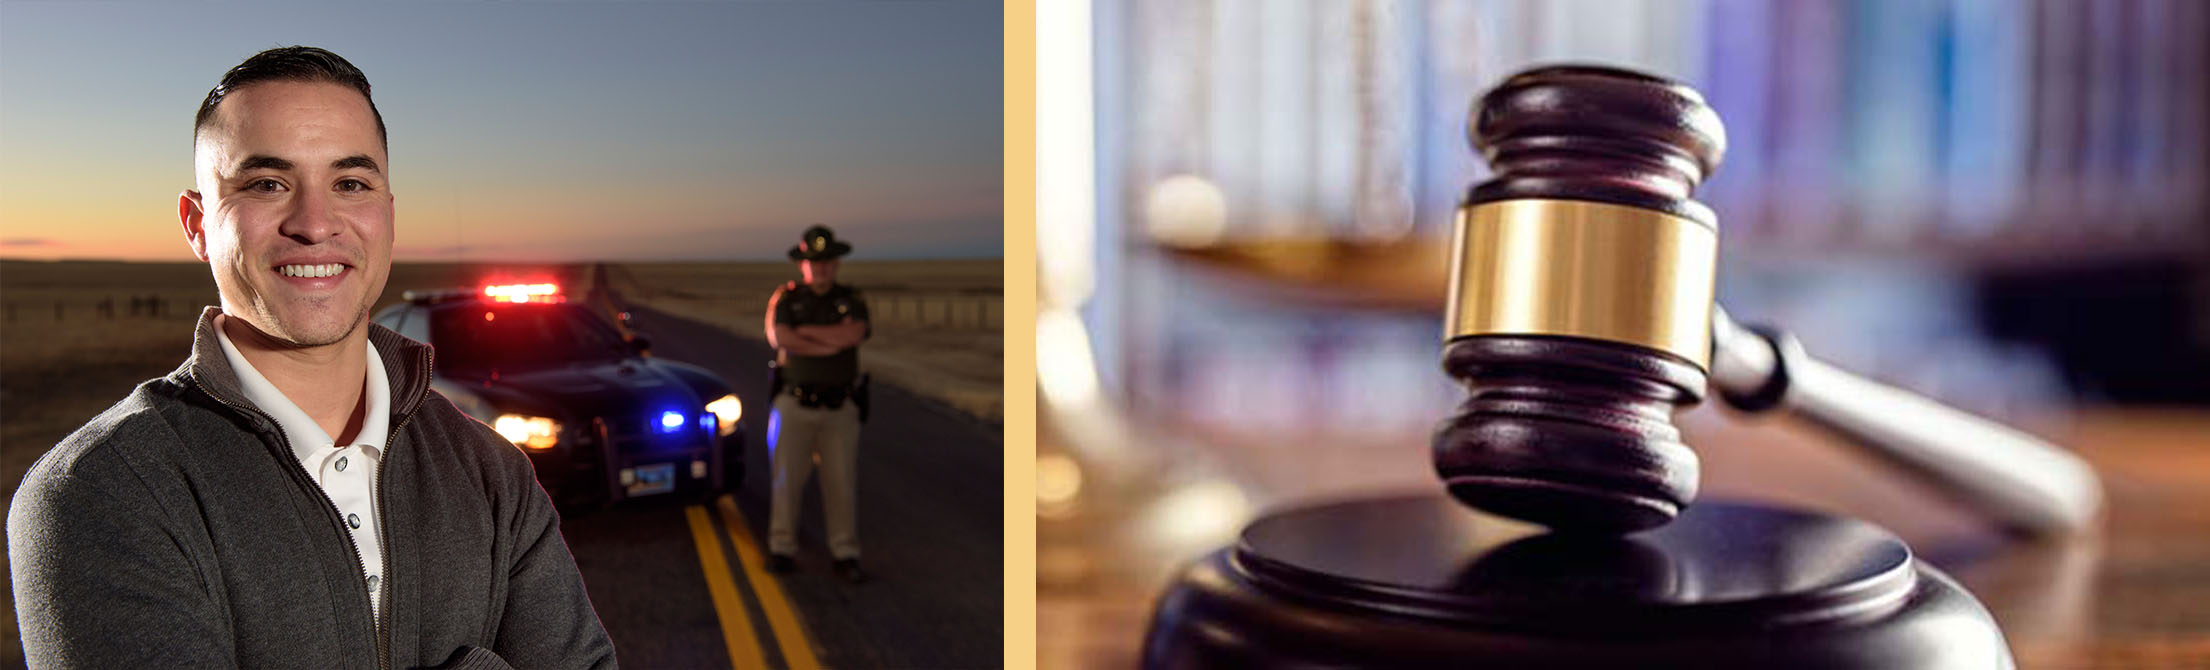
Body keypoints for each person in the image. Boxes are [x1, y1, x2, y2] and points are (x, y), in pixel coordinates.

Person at [7, 46, 615, 669]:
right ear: (197, 225)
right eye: (267, 184)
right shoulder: (106, 489)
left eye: (350, 183)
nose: (315, 223)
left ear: (387, 214)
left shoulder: (491, 471)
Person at [762, 225, 872, 584]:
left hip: (839, 408)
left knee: (841, 483)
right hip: (793, 405)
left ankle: (845, 553)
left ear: (836, 263)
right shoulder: (786, 298)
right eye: (813, 261)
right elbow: (779, 337)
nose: (820, 267)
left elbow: (853, 333)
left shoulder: (851, 298)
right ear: (802, 264)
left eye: (826, 261)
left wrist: (804, 335)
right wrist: (829, 343)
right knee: (786, 481)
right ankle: (782, 549)